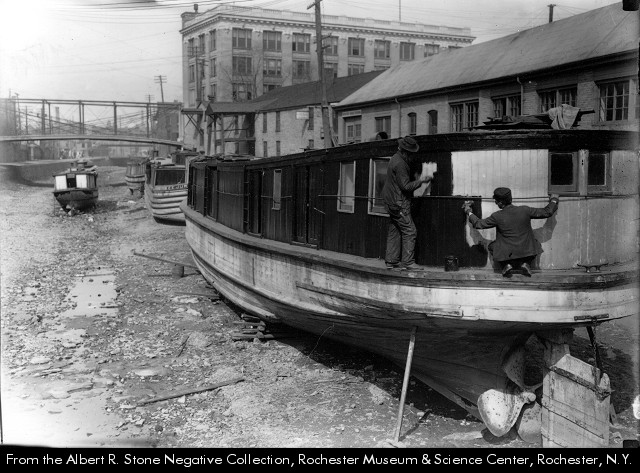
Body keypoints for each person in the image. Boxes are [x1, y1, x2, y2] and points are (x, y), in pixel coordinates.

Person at [463, 187, 559, 277]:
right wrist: (554, 199)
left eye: (496, 201)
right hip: (526, 251)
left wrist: (469, 211)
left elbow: (479, 224)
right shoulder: (525, 210)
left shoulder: (497, 216)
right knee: (536, 244)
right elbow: (547, 212)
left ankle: (506, 265)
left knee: (492, 246)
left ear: (500, 203)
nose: (496, 203)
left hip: (507, 253)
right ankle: (526, 263)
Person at [381, 136, 433, 271]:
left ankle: (391, 261)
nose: (412, 156)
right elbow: (405, 186)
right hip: (398, 203)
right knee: (410, 231)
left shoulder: (394, 158)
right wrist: (421, 181)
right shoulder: (401, 164)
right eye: (411, 153)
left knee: (395, 229)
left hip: (389, 201)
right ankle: (408, 263)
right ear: (405, 151)